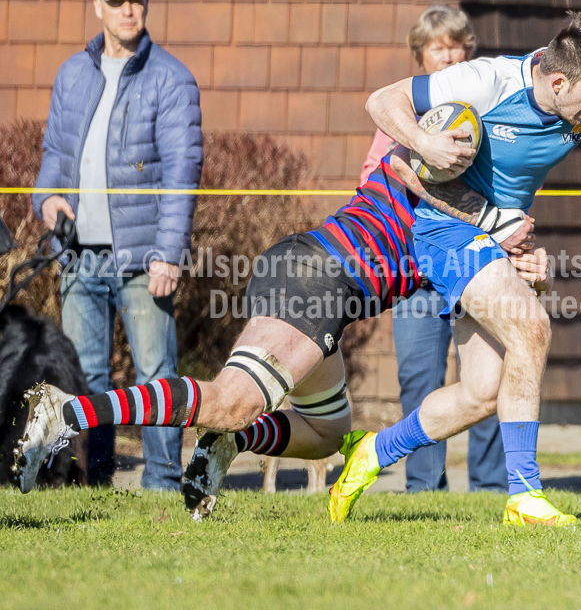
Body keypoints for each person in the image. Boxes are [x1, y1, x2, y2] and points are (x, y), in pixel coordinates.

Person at [328, 11, 581, 526]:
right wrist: (424, 143)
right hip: (446, 228)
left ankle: (372, 452)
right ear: (557, 82)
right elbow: (381, 101)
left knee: (482, 392)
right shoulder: (486, 80)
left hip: (497, 239)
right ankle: (524, 495)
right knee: (531, 328)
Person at [12, 149, 543, 518]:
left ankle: (226, 444)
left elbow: (486, 282)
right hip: (316, 281)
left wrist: (524, 267)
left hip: (319, 285)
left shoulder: (466, 213)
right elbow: (396, 114)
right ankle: (65, 412)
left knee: (328, 432)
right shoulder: (431, 174)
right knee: (231, 400)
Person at [30, 0, 202, 490]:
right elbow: (56, 155)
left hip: (143, 257)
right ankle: (93, 478)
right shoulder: (72, 75)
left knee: (155, 374)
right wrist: (48, 197)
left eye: (137, 1)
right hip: (79, 255)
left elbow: (182, 172)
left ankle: (164, 481)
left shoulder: (172, 78)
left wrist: (168, 254)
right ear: (98, 7)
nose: (129, 10)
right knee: (86, 379)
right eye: (118, 1)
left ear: (145, 7)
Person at [364, 5, 506, 493]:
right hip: (418, 270)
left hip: (479, 263)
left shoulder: (489, 109)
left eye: (456, 46)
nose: (448, 57)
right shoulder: (399, 114)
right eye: (436, 48)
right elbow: (372, 179)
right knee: (419, 379)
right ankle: (423, 487)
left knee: (489, 380)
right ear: (419, 56)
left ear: (470, 51)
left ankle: (490, 485)